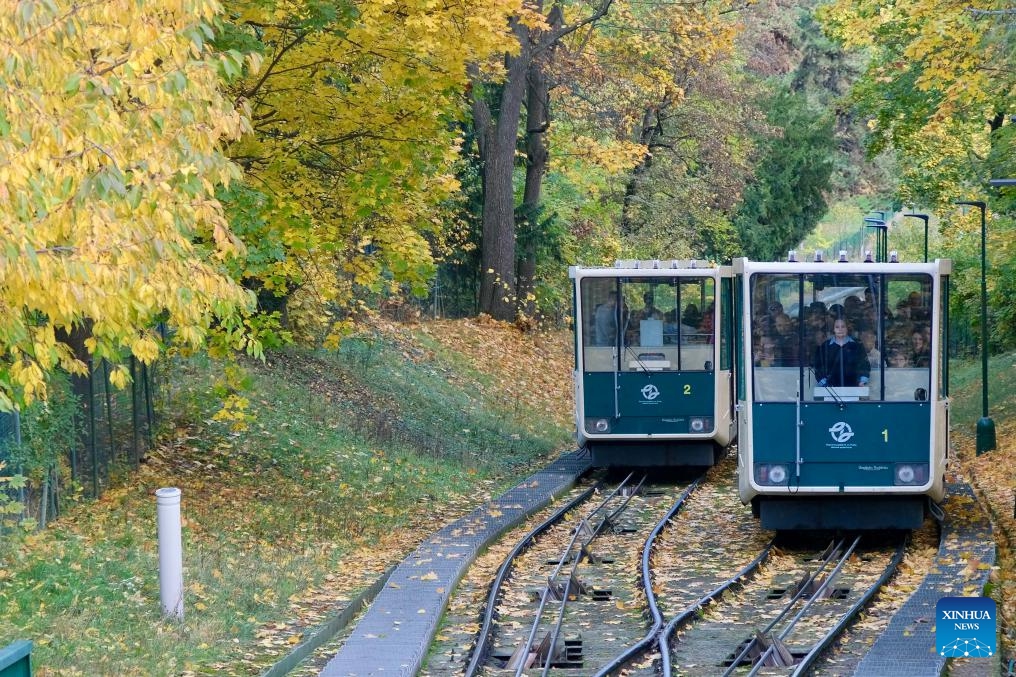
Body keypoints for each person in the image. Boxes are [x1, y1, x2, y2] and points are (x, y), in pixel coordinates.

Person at [813, 317, 871, 387]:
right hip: (830, 390)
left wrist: (862, 381)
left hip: (854, 387)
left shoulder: (857, 345)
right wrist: (824, 384)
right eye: (837, 327)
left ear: (847, 328)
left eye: (843, 326)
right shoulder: (825, 346)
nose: (840, 329)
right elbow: (819, 367)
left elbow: (864, 365)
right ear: (833, 329)